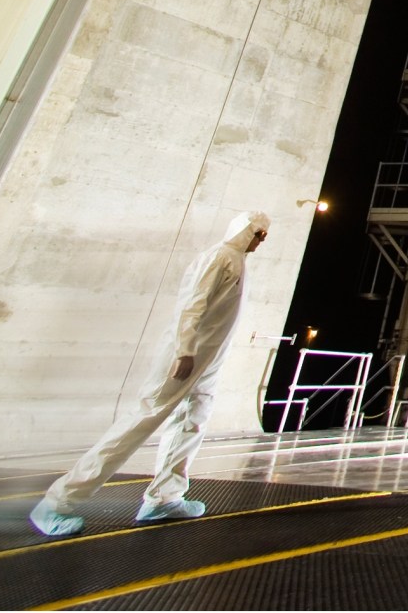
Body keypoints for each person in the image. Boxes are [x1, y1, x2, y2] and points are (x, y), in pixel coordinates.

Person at [29, 211, 271, 536]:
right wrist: (185, 351)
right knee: (138, 423)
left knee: (191, 423)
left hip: (207, 364)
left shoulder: (239, 261)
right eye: (259, 233)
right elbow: (192, 305)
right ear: (247, 231)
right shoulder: (218, 257)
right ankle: (56, 503)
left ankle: (165, 497)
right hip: (185, 359)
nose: (262, 241)